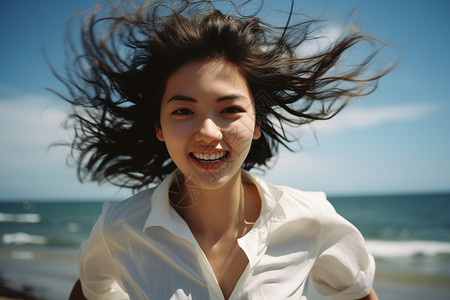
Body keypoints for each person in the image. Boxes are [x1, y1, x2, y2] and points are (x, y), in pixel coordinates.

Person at [56, 0, 392, 299]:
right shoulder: (120, 228)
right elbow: (89, 290)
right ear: (159, 127)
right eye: (183, 111)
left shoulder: (312, 220)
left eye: (230, 109)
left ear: (257, 123)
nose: (207, 132)